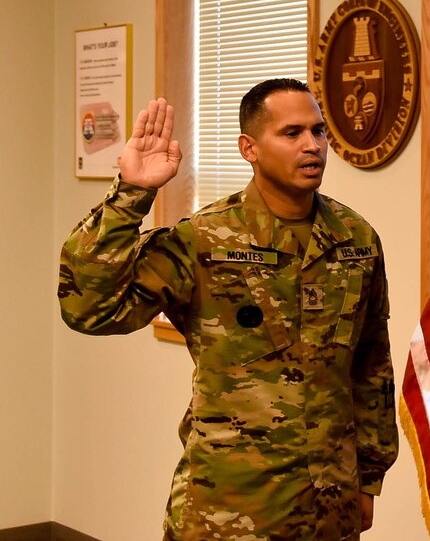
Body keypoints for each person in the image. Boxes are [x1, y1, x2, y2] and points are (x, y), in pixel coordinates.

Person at [58, 79, 398, 541]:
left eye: (318, 132)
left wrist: (370, 476)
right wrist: (131, 195)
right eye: (292, 132)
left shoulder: (356, 239)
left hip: (330, 501)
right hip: (228, 508)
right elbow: (90, 309)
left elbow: (371, 365)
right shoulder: (205, 239)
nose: (312, 145)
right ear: (249, 148)